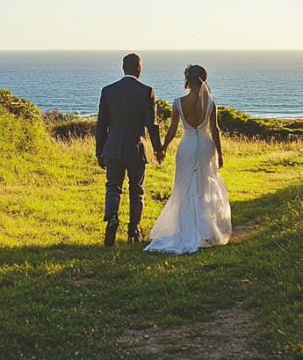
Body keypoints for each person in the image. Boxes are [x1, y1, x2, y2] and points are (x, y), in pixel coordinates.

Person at [145, 64, 232, 254]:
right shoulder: (211, 103)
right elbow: (215, 130)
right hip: (205, 146)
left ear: (188, 81)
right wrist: (220, 153)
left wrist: (163, 148)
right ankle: (205, 229)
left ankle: (186, 229)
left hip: (186, 147)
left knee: (183, 187)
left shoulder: (178, 103)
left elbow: (173, 129)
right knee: (205, 186)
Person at [94, 53, 164, 246]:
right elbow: (152, 125)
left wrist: (99, 151)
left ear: (123, 68)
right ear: (139, 69)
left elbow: (101, 125)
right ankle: (134, 231)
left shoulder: (108, 91)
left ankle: (112, 218)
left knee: (113, 187)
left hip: (113, 147)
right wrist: (158, 149)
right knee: (137, 190)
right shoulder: (147, 91)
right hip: (136, 148)